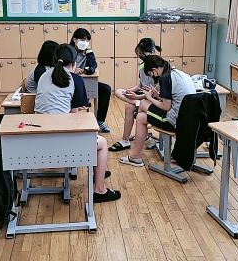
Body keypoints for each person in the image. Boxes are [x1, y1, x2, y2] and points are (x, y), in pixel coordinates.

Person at [34, 44, 120, 203]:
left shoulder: (43, 76)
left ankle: (97, 172)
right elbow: (74, 118)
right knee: (101, 143)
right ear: (74, 63)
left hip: (38, 141)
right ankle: (100, 190)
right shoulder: (75, 79)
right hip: (62, 144)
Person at [119, 55, 195, 167]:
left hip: (175, 121)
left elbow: (166, 107)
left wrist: (149, 97)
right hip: (189, 120)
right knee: (141, 117)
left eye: (151, 74)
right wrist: (158, 95)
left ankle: (136, 152)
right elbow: (172, 100)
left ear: (154, 70)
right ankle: (136, 153)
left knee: (143, 104)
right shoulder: (178, 73)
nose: (154, 77)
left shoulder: (165, 78)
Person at [109, 37, 162, 152]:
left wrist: (137, 97)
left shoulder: (157, 67)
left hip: (152, 97)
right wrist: (129, 91)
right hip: (142, 95)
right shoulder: (142, 66)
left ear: (152, 52)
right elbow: (139, 86)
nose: (140, 56)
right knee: (118, 91)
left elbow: (154, 93)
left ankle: (125, 140)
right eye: (139, 54)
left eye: (142, 53)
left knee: (129, 107)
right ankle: (137, 102)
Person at [70, 28, 112, 133]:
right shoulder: (68, 51)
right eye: (82, 40)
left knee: (106, 89)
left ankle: (100, 121)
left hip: (84, 81)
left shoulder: (87, 52)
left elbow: (92, 68)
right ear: (75, 39)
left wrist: (85, 67)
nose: (85, 43)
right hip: (70, 82)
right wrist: (73, 70)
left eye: (87, 40)